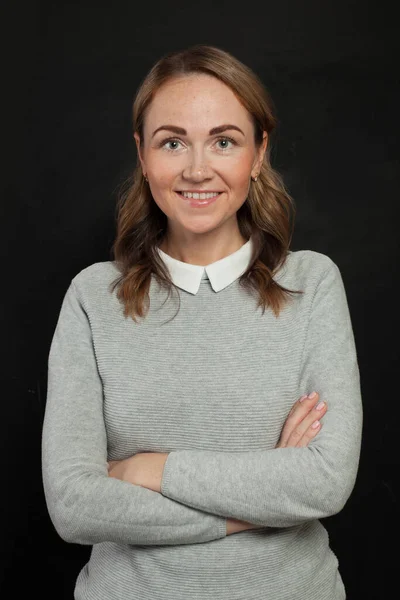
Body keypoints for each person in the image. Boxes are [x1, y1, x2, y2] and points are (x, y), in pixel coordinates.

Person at [41, 44, 362, 600]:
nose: (196, 169)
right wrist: (257, 505)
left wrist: (147, 468)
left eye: (224, 141)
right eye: (172, 142)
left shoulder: (313, 284)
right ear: (142, 154)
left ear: (258, 153)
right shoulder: (93, 296)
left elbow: (325, 481)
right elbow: (73, 504)